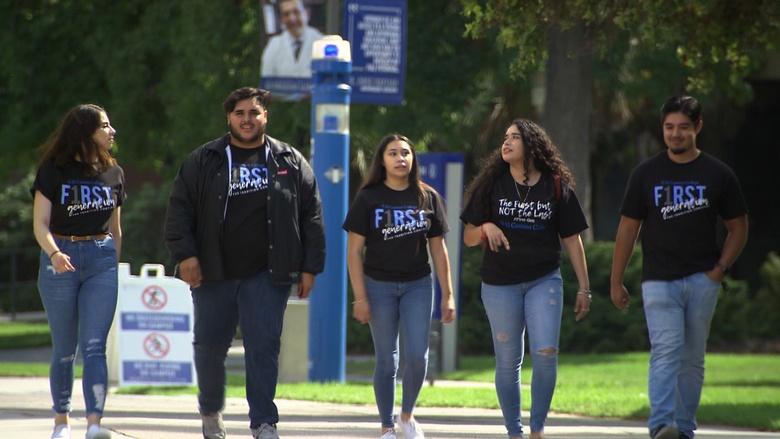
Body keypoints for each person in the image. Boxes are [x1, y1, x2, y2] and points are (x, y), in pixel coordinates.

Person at [164, 87, 325, 439]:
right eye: (240, 113)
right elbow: (179, 211)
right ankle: (210, 411)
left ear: (265, 116)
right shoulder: (203, 159)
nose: (247, 119)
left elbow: (311, 215)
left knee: (263, 346)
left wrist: (311, 267)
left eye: (254, 112)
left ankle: (264, 422)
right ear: (229, 118)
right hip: (212, 271)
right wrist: (186, 256)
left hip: (268, 273)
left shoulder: (289, 161)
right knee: (209, 347)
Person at [610, 96, 749, 439]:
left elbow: (739, 227)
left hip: (703, 279)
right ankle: (661, 425)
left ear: (697, 127)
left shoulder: (718, 174)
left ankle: (683, 428)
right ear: (663, 129)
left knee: (692, 358)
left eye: (683, 128)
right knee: (666, 349)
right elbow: (628, 229)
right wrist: (616, 280)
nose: (675, 134)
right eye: (669, 127)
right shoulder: (646, 173)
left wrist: (719, 269)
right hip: (658, 280)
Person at [460, 118, 592, 439]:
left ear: (531, 144)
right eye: (504, 137)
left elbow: (572, 239)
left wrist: (585, 288)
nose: (505, 142)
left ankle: (537, 429)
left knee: (546, 353)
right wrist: (486, 228)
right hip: (499, 283)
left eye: (514, 137)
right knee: (508, 361)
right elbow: (468, 236)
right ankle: (514, 432)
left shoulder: (556, 184)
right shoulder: (491, 184)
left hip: (543, 280)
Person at [344, 134, 456, 439]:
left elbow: (439, 250)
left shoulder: (427, 197)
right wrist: (360, 297)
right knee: (387, 359)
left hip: (417, 285)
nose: (400, 158)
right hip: (377, 285)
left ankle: (407, 416)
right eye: (393, 153)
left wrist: (448, 295)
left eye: (406, 153)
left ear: (413, 159)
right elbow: (354, 252)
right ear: (382, 160)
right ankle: (387, 426)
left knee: (418, 355)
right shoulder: (368, 198)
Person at [32, 104, 124, 439]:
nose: (112, 131)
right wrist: (54, 253)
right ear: (85, 133)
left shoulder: (114, 173)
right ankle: (61, 421)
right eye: (104, 125)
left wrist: (112, 263)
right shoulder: (53, 170)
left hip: (101, 260)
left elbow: (116, 228)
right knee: (65, 348)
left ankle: (95, 424)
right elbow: (40, 224)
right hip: (61, 257)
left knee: (95, 345)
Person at [261, 0, 324, 78]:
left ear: (307, 13)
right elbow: (266, 81)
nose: (292, 19)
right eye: (286, 14)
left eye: (296, 12)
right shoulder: (273, 46)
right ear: (281, 19)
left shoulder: (321, 43)